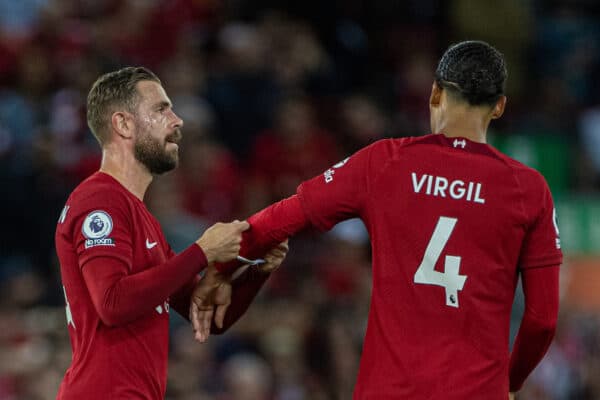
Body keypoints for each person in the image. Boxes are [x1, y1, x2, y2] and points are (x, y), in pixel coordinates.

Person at [192, 41, 562, 399]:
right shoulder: (528, 189)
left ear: (435, 93)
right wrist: (511, 381)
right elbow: (542, 319)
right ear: (498, 107)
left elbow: (284, 217)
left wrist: (222, 266)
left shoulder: (385, 162)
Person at [54, 66, 287, 400]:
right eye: (161, 109)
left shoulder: (141, 217)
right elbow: (112, 304)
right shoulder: (100, 200)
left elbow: (207, 315)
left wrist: (257, 268)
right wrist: (201, 252)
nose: (177, 121)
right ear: (123, 124)